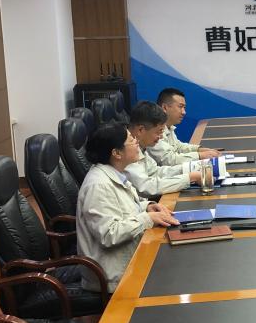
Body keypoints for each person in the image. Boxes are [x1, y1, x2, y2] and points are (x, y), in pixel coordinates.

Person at [77, 123, 179, 293]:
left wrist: (148, 207)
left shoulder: (115, 172)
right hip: (113, 276)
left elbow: (124, 208)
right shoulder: (98, 186)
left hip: (129, 259)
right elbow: (109, 234)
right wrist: (147, 219)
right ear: (116, 153)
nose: (137, 142)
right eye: (131, 140)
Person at [124, 101, 205, 199]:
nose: (161, 136)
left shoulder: (141, 146)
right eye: (158, 132)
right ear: (141, 130)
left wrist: (191, 169)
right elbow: (147, 187)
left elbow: (156, 172)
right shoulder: (125, 149)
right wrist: (189, 178)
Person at [148, 87, 218, 166]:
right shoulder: (152, 130)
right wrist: (199, 155)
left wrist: (199, 149)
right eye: (180, 107)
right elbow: (168, 160)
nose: (184, 112)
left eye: (184, 107)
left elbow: (178, 147)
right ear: (165, 107)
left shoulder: (168, 126)